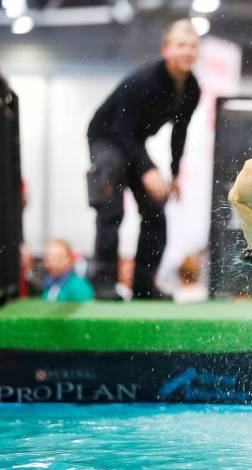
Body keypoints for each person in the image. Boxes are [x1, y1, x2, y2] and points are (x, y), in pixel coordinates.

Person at [86, 19, 201, 300]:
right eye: (180, 45)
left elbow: (180, 131)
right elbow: (119, 130)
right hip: (106, 136)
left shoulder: (192, 88)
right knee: (112, 209)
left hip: (133, 140)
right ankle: (104, 283)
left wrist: (173, 174)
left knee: (155, 209)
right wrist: (148, 169)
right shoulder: (144, 80)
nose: (187, 51)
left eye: (193, 46)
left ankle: (144, 286)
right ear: (166, 50)